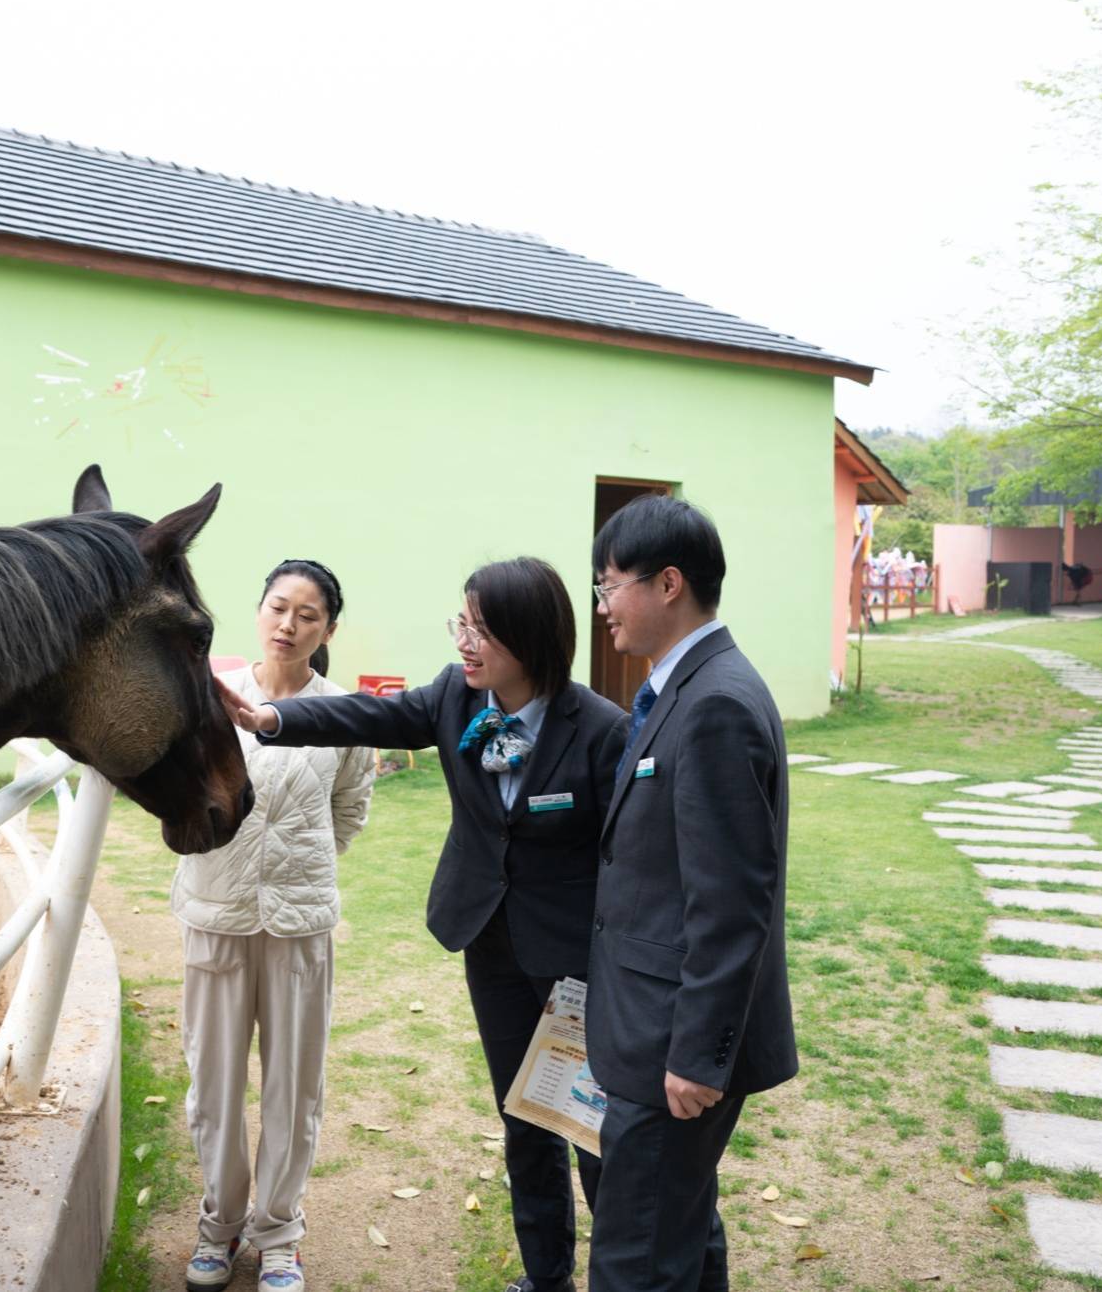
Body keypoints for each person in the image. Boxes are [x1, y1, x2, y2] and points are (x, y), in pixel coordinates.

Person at [222, 557, 624, 1292]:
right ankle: (547, 1278)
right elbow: (367, 716)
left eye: (480, 629)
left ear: (530, 637)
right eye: (460, 624)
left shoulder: (600, 731)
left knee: (589, 1126)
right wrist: (271, 718)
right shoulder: (455, 697)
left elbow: (627, 859)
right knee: (524, 1118)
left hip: (575, 963)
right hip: (490, 944)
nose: (464, 642)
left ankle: (621, 1278)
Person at [586, 496, 797, 1292]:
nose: (602, 607)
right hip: (651, 1024)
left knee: (637, 1257)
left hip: (670, 1042)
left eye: (609, 585)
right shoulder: (685, 687)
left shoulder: (713, 703)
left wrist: (695, 1056)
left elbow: (732, 901)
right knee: (676, 1235)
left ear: (667, 583)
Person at [177, 559, 375, 1292]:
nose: (289, 625)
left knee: (294, 1088)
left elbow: (348, 809)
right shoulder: (210, 698)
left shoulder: (345, 714)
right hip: (216, 911)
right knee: (214, 1084)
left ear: (328, 630)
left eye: (308, 615)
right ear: (259, 611)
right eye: (278, 607)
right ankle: (219, 1224)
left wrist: (296, 866)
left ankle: (279, 1232)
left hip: (299, 923)